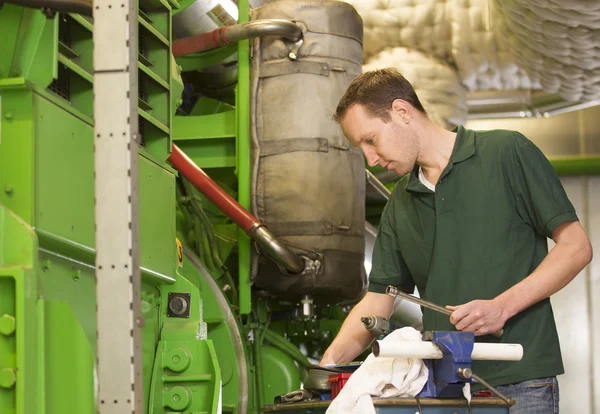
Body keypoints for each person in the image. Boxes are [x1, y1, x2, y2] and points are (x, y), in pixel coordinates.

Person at [319, 68, 593, 414]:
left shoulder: (507, 152)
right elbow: (378, 301)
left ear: (402, 112)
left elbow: (576, 247)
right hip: (443, 391)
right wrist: (327, 366)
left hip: (522, 383)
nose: (370, 159)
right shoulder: (400, 202)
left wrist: (501, 308)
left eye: (370, 140)